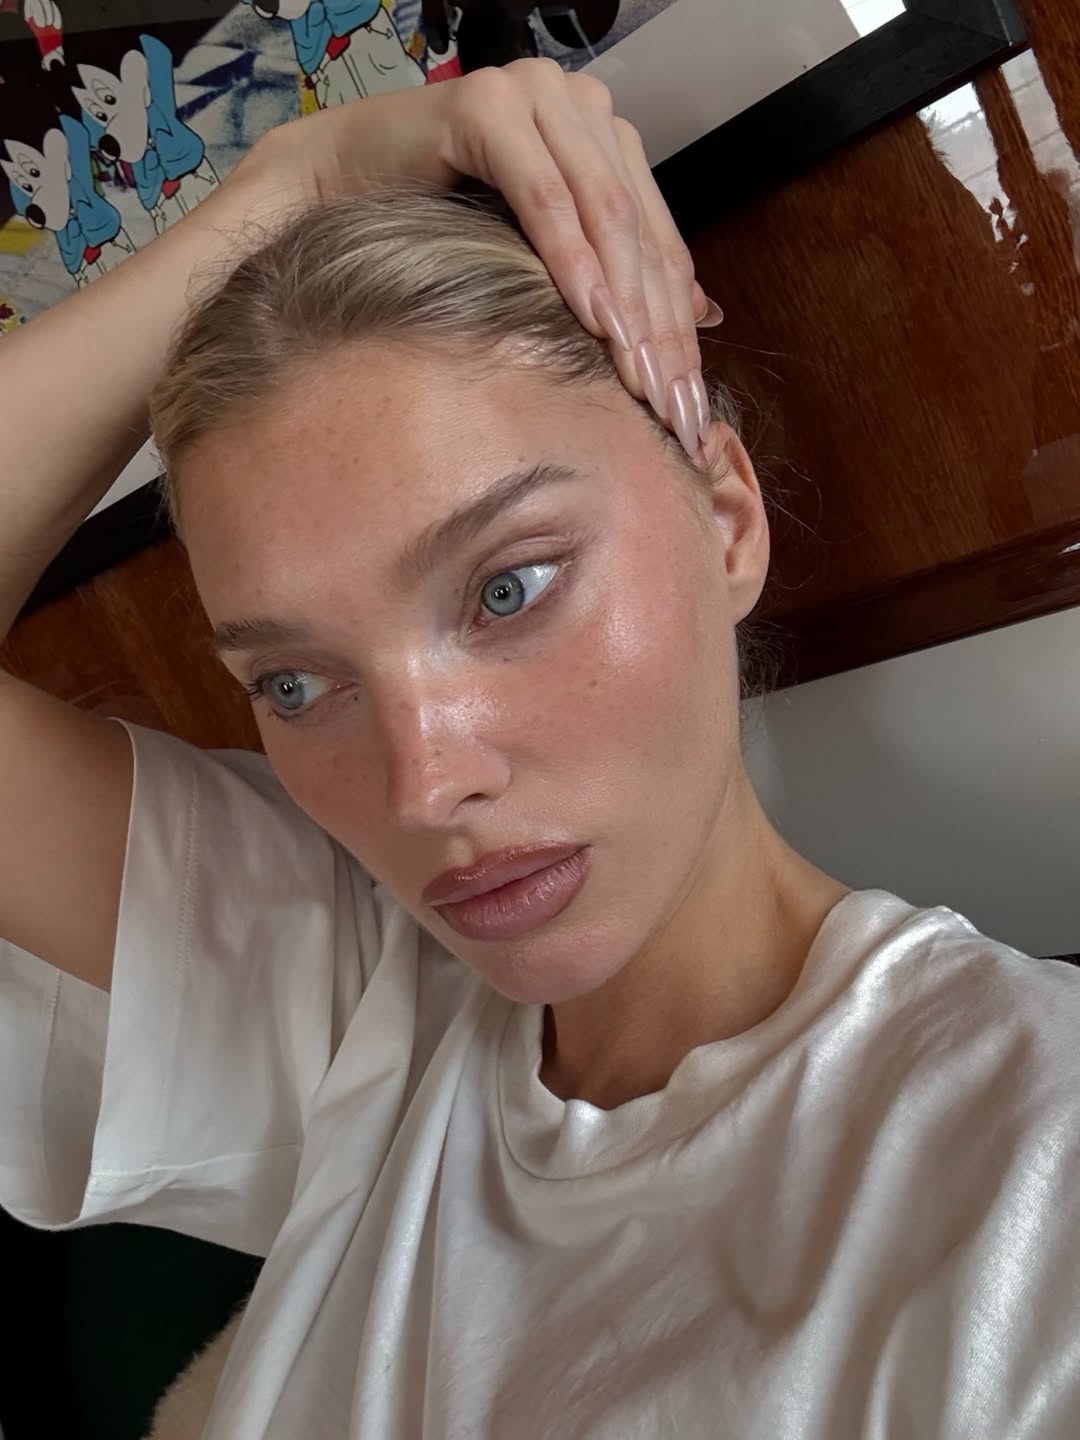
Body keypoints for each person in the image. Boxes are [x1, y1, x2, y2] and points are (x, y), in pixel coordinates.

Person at [1, 60, 1079, 1440]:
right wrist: (294, 182)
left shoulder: (1031, 1168)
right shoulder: (355, 998)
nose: (422, 786)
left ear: (727, 519)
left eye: (507, 589)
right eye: (295, 681)